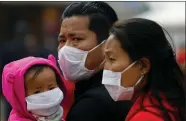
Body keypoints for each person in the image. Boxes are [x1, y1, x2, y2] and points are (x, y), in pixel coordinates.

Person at [58, 1, 132, 121]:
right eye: (62, 40)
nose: (66, 48)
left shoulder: (91, 106)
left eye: (77, 39)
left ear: (107, 43)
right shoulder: (124, 88)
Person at [102, 18, 185, 121]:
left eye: (111, 59)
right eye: (104, 59)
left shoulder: (147, 116)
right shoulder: (171, 102)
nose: (105, 67)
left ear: (143, 66)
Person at [2, 55, 67, 121]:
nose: (46, 94)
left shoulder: (57, 115)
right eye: (37, 92)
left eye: (51, 88)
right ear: (19, 97)